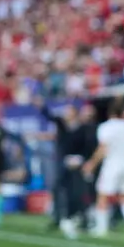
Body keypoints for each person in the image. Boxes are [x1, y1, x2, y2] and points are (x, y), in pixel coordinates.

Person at [42, 100, 94, 239]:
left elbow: (87, 146)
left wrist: (81, 159)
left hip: (77, 164)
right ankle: (58, 218)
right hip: (62, 163)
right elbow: (50, 116)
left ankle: (78, 217)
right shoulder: (62, 125)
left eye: (69, 112)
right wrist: (41, 106)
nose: (66, 114)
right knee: (58, 189)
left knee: (77, 192)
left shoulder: (82, 128)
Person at [86, 105, 124, 237]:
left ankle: (101, 228)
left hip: (111, 164)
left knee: (103, 196)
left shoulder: (105, 127)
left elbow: (103, 148)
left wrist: (92, 163)